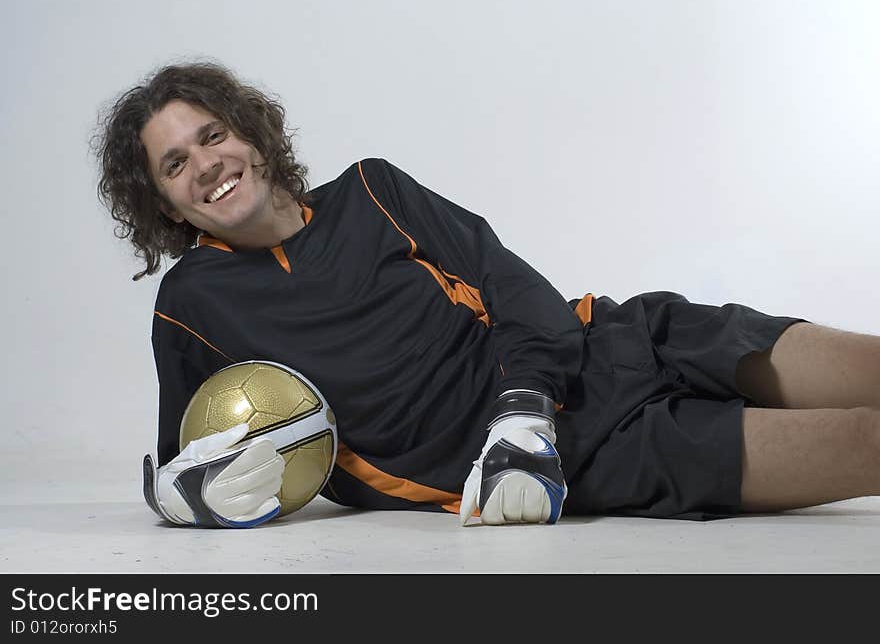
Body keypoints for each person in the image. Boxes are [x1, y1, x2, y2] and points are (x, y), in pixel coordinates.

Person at [95, 61, 880, 529]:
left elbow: (516, 287)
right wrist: (179, 496)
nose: (205, 163)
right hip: (582, 463)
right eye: (173, 164)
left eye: (212, 135)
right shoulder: (192, 301)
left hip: (611, 343)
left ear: (251, 133)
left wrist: (523, 410)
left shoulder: (373, 189)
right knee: (865, 443)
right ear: (164, 204)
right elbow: (184, 456)